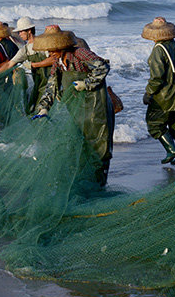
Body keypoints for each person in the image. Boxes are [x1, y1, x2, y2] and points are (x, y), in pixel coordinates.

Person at [33, 28, 115, 186]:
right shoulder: (57, 62)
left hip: (97, 106)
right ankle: (87, 182)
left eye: (53, 49)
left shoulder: (80, 54)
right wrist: (44, 107)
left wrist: (87, 83)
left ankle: (100, 185)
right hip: (77, 108)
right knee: (81, 146)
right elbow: (52, 85)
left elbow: (103, 67)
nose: (50, 53)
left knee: (99, 147)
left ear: (62, 46)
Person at [141, 17, 175, 166]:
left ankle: (171, 151)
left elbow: (157, 78)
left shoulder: (158, 51)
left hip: (165, 96)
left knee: (154, 123)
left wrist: (148, 93)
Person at [0, 17, 53, 112]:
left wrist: (34, 65)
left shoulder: (43, 43)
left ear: (29, 31)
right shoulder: (25, 49)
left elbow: (53, 59)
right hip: (38, 85)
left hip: (50, 83)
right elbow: (9, 64)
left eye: (21, 31)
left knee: (42, 110)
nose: (19, 34)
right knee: (31, 110)